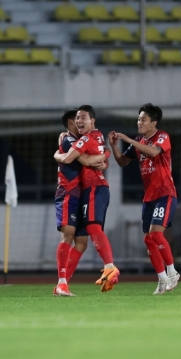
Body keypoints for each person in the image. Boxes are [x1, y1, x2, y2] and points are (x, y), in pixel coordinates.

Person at [108, 103, 180, 295]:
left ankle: (172, 272)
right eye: (138, 118)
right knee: (148, 239)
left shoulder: (162, 136)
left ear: (153, 123)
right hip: (149, 197)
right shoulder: (138, 142)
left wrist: (129, 139)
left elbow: (154, 151)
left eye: (143, 119)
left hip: (165, 193)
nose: (139, 122)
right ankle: (162, 279)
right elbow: (123, 162)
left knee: (156, 235)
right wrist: (115, 146)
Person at [54, 105, 120, 292]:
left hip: (86, 191)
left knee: (84, 239)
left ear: (92, 121)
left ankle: (65, 282)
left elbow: (98, 152)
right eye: (77, 119)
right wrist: (57, 154)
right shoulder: (68, 139)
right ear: (70, 123)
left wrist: (105, 156)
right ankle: (62, 282)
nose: (79, 122)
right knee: (71, 236)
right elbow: (84, 160)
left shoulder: (85, 138)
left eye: (83, 118)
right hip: (68, 192)